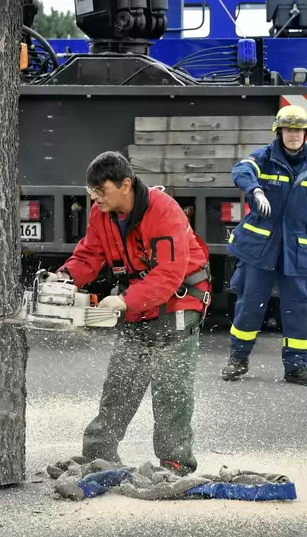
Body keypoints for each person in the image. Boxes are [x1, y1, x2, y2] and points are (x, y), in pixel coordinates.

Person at [42, 151, 211, 475]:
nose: (94, 196)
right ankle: (98, 453)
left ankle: (176, 463)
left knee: (170, 388)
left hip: (178, 301)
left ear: (125, 185)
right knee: (120, 382)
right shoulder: (100, 214)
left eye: (100, 189)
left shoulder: (163, 212)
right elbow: (89, 255)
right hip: (138, 301)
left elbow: (168, 273)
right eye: (91, 189)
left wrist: (124, 301)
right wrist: (64, 279)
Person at [222, 105, 307, 387]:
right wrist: (255, 189)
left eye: (298, 130)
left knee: (299, 309)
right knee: (250, 304)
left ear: (305, 133)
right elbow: (242, 170)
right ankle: (238, 359)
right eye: (288, 129)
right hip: (259, 248)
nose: (293, 135)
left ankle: (297, 367)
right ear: (279, 132)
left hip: (296, 251)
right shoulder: (264, 158)